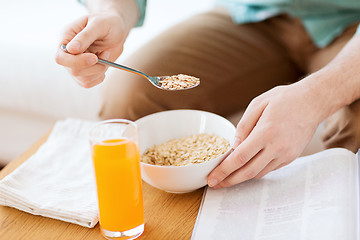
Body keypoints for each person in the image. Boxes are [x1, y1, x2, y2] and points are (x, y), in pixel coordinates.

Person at [55, 0, 360, 189]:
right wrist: (113, 12)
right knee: (131, 95)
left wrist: (316, 96)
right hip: (252, 11)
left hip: (352, 22)